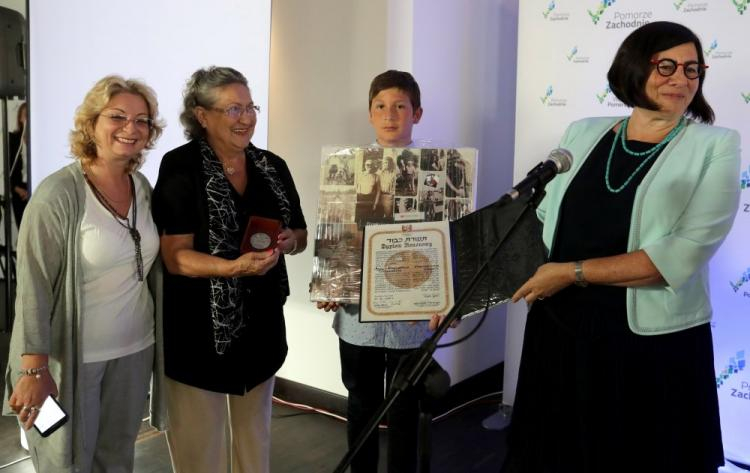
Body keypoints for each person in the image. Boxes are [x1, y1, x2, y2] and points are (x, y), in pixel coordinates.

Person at [505, 21, 740, 473]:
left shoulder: (716, 145)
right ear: (633, 67)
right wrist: (466, 294)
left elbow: (684, 251)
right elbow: (538, 220)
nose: (681, 78)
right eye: (666, 65)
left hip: (649, 342)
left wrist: (570, 272)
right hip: (560, 330)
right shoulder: (582, 132)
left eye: (692, 69)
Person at [3, 75, 166, 472]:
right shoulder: (57, 195)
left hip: (134, 349)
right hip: (73, 358)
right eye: (118, 116)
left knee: (117, 458)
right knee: (66, 462)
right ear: (91, 124)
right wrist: (33, 370)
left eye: (142, 120)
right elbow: (34, 288)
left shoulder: (141, 186)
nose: (131, 128)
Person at [152, 66, 307, 473]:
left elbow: (300, 233)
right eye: (233, 108)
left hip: (261, 328)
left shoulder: (272, 166)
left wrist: (290, 240)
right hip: (196, 331)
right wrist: (232, 268)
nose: (247, 117)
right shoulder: (180, 167)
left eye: (250, 106)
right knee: (200, 451)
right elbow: (175, 256)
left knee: (255, 443)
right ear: (202, 115)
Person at [318, 70, 446, 473]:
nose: (390, 115)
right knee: (361, 401)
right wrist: (328, 282)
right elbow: (334, 226)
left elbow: (450, 238)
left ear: (418, 113)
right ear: (370, 113)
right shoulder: (347, 167)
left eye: (400, 106)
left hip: (414, 312)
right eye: (380, 106)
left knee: (406, 402)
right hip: (358, 315)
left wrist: (449, 299)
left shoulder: (440, 169)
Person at [9, 102, 29, 225]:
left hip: (37, 191)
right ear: (20, 119)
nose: (28, 118)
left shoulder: (40, 139)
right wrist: (17, 189)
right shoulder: (13, 139)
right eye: (25, 115)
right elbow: (8, 168)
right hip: (18, 191)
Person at [355, 153, 381, 227]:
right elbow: (356, 188)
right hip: (360, 199)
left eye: (371, 165)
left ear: (373, 166)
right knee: (358, 221)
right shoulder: (360, 174)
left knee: (367, 222)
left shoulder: (376, 176)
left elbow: (378, 192)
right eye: (367, 165)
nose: (369, 166)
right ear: (365, 166)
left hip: (370, 200)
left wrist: (375, 204)